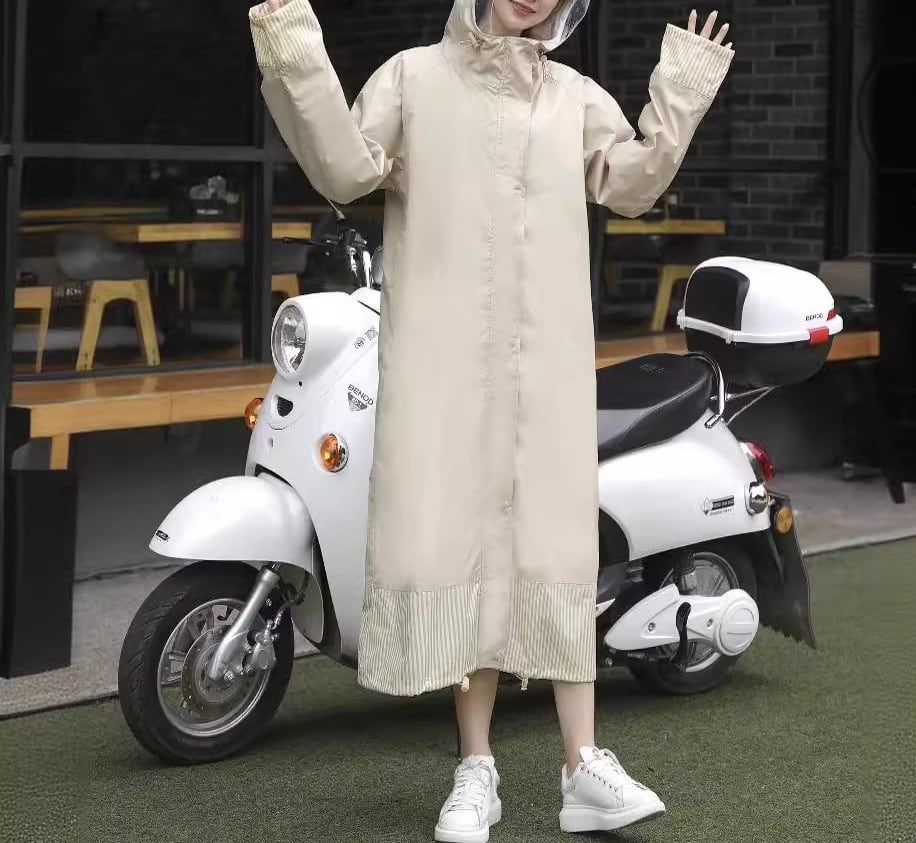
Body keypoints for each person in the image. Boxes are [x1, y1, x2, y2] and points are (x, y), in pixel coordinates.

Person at [248, 1, 733, 839]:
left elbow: (633, 185)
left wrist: (681, 87)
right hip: (444, 361)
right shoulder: (413, 80)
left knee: (554, 546)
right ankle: (476, 767)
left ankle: (583, 764)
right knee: (462, 547)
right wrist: (293, 45)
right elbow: (344, 169)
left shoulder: (575, 97)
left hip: (547, 363)